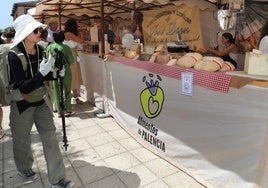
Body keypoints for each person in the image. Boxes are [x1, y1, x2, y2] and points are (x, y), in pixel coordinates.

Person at [7, 14, 74, 188]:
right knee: (21, 140)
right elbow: (24, 86)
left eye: (40, 29)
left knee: (50, 138)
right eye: (36, 30)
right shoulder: (14, 55)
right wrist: (42, 73)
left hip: (40, 101)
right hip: (22, 103)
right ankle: (24, 167)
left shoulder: (42, 49)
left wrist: (55, 75)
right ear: (26, 32)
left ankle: (58, 178)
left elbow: (45, 76)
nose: (40, 32)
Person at [46, 31, 75, 117]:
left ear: (54, 38)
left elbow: (47, 60)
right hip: (66, 71)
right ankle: (68, 109)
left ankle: (59, 111)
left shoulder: (50, 47)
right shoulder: (66, 47)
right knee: (67, 90)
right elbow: (71, 61)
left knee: (56, 91)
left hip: (54, 71)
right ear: (63, 38)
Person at [63, 18, 84, 105]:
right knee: (71, 77)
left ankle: (74, 97)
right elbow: (81, 40)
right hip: (70, 56)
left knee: (74, 77)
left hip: (72, 56)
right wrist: (81, 34)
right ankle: (67, 98)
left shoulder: (68, 34)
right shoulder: (69, 34)